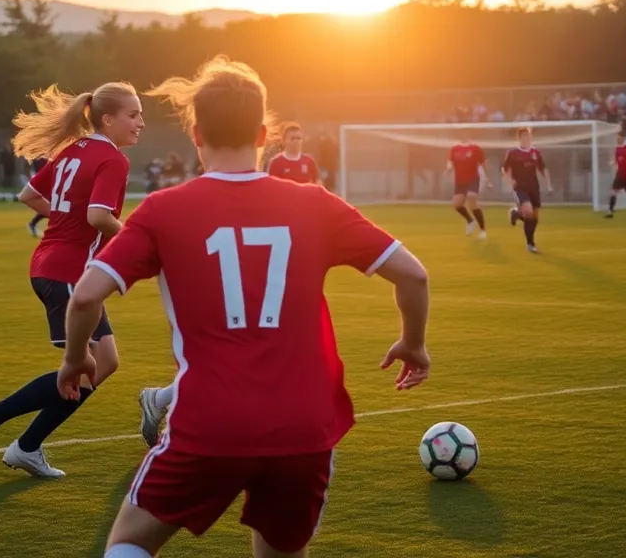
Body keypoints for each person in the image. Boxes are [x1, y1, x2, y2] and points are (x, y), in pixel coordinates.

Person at [59, 56, 431, 558]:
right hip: (303, 428)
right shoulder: (315, 204)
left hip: (208, 423)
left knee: (129, 543)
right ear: (263, 134)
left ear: (195, 133)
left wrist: (76, 356)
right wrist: (413, 342)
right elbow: (413, 273)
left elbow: (84, 295)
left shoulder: (163, 211)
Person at [0, 82, 144, 483]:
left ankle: (26, 448)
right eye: (133, 114)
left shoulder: (72, 150)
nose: (141, 122)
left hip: (53, 268)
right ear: (107, 118)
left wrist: (64, 219)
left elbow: (29, 195)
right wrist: (135, 240)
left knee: (105, 362)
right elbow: (96, 216)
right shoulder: (113, 159)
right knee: (83, 365)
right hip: (67, 274)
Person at [503, 127, 553, 254]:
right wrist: (510, 180)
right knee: (528, 211)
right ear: (519, 138)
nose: (527, 139)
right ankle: (530, 243)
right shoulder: (513, 153)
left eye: (528, 136)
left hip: (533, 187)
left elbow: (543, 168)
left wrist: (548, 184)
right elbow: (505, 168)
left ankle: (516, 213)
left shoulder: (535, 152)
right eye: (524, 136)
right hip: (520, 187)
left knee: (534, 217)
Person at [447, 138, 489, 238]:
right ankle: (470, 221)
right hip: (460, 181)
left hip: (473, 179)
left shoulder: (475, 148)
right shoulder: (454, 149)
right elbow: (450, 161)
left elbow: (483, 162)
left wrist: (486, 177)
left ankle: (482, 230)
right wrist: (448, 168)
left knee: (472, 197)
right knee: (457, 205)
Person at [26, 155, 50, 238]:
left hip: (49, 179)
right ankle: (33, 223)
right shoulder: (39, 156)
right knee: (51, 204)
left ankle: (33, 223)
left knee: (52, 205)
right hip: (44, 180)